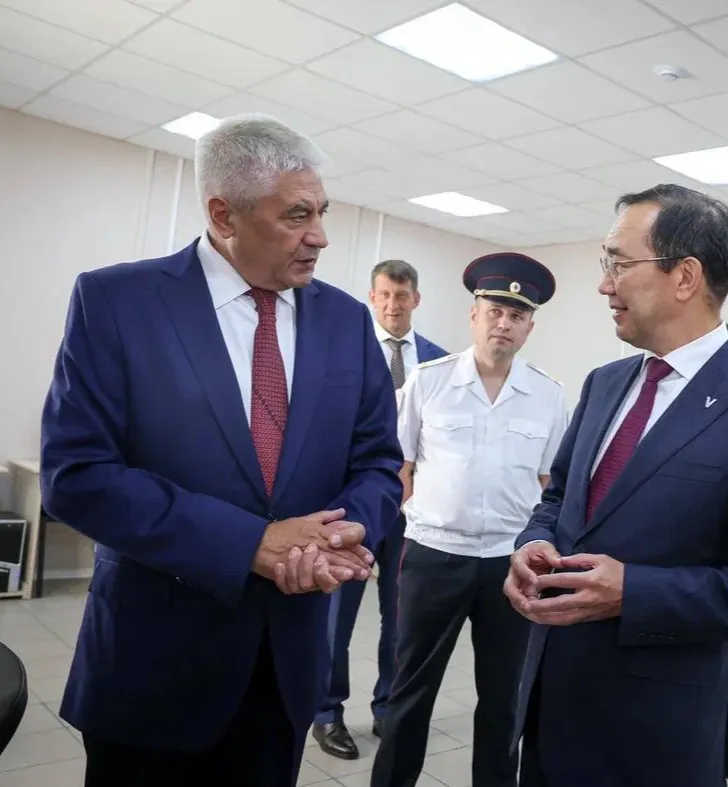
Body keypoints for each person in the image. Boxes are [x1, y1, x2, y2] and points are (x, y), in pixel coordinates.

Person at [39, 115, 403, 787]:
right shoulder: (118, 300)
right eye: (296, 215)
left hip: (285, 669)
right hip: (153, 669)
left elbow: (378, 461)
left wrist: (347, 527)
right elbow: (77, 476)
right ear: (223, 213)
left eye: (321, 212)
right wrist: (249, 543)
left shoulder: (346, 320)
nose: (320, 236)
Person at [503, 184, 728, 787]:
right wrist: (533, 543)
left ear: (685, 277)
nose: (604, 285)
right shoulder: (604, 383)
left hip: (655, 733)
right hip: (551, 703)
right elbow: (559, 498)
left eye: (619, 264)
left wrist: (636, 592)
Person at [370, 252, 568, 787]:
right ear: (474, 315)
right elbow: (398, 465)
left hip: (509, 563)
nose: (504, 322)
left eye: (516, 315)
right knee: (410, 693)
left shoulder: (548, 395)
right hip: (434, 555)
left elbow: (550, 483)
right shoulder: (428, 382)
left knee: (503, 700)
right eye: (494, 311)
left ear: (529, 327)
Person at [314, 259, 447, 758]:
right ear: (373, 298)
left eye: (402, 295)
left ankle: (389, 707)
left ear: (416, 299)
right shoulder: (344, 351)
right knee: (336, 618)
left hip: (412, 511)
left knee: (402, 616)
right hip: (353, 506)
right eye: (385, 295)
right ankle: (327, 713)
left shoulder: (439, 362)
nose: (394, 304)